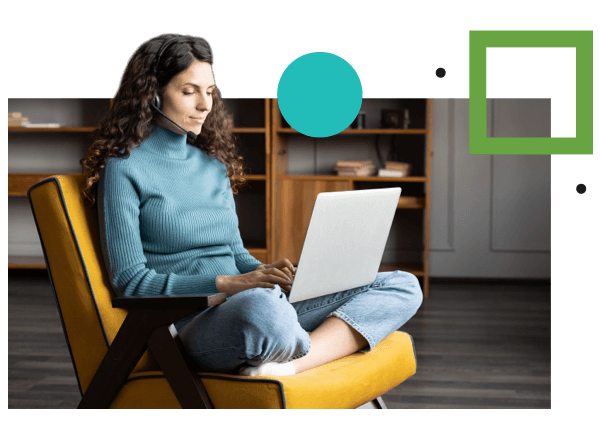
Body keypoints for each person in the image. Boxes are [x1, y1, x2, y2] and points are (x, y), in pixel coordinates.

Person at [80, 33, 423, 377]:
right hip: (190, 319)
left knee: (402, 285)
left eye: (209, 92)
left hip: (247, 301)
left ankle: (294, 365)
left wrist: (271, 274)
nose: (205, 105)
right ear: (151, 95)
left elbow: (235, 253)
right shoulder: (124, 168)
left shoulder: (212, 166)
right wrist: (228, 284)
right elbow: (131, 282)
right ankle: (309, 343)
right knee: (262, 311)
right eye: (189, 91)